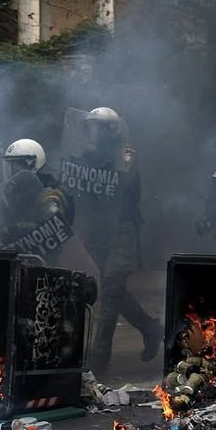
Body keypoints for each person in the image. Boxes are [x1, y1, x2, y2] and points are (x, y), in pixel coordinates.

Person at [65, 107, 163, 369]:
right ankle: (150, 327)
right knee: (107, 288)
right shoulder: (86, 154)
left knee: (111, 284)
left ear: (112, 128)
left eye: (97, 126)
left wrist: (99, 160)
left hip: (122, 227)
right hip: (96, 227)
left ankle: (100, 356)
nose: (92, 131)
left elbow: (123, 180)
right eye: (90, 126)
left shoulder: (125, 153)